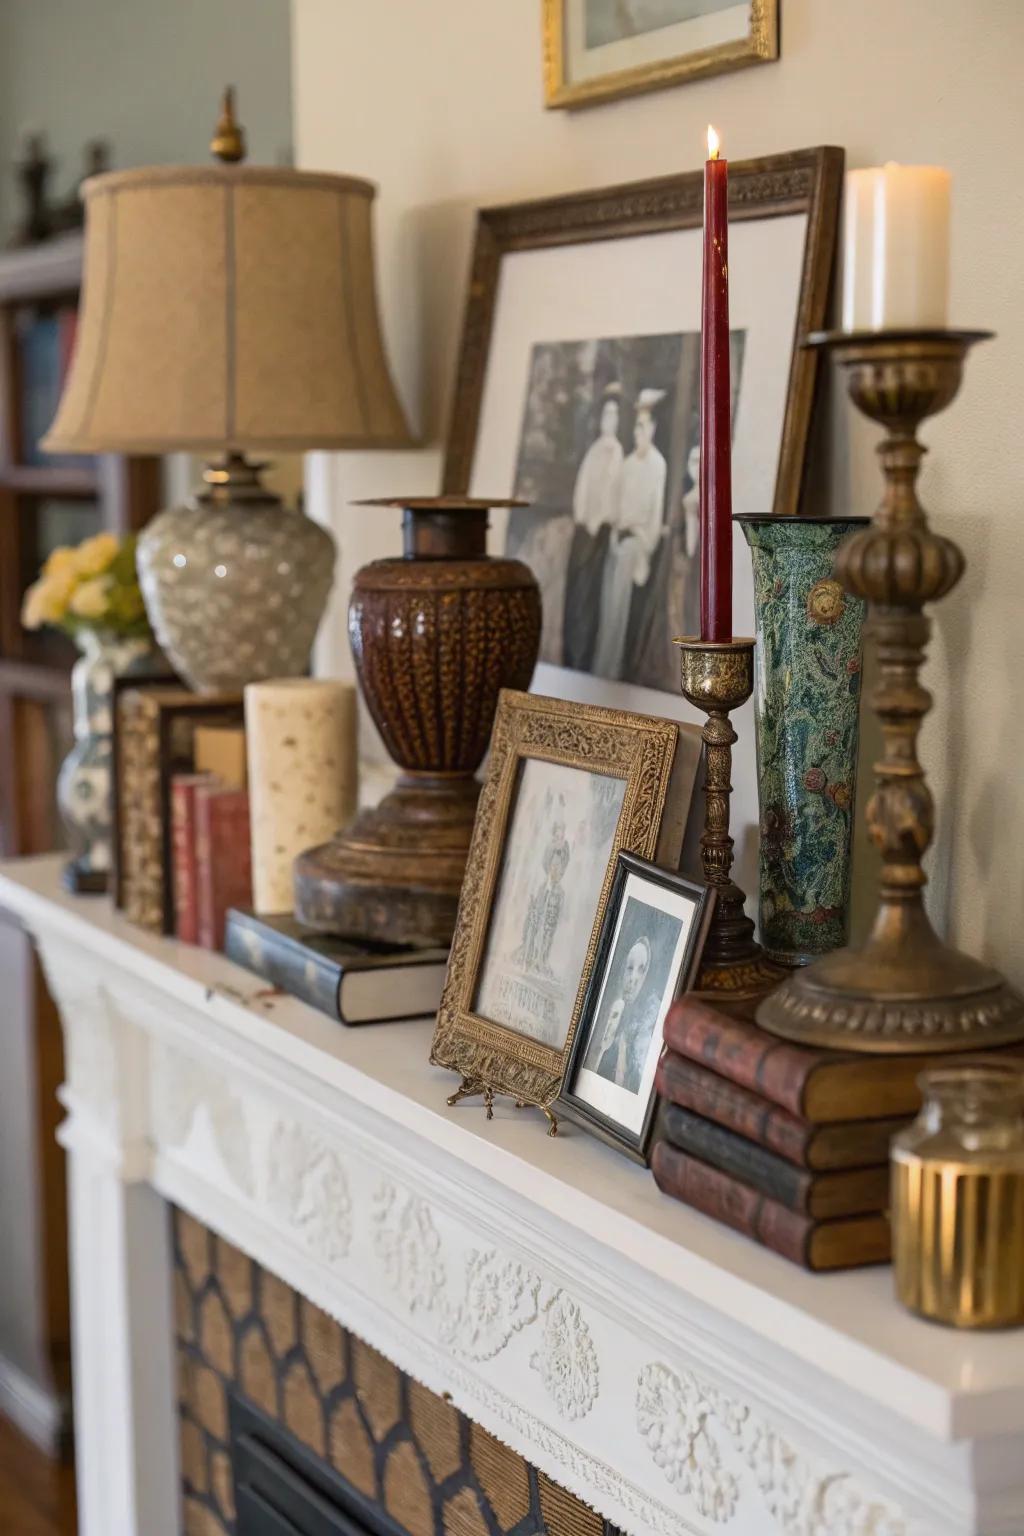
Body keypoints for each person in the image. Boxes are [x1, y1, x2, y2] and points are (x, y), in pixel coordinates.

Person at [592, 389, 667, 681]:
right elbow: (615, 501)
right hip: (618, 538)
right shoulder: (627, 463)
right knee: (607, 607)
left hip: (636, 542)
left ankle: (613, 671)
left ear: (654, 429)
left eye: (645, 427)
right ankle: (600, 668)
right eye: (637, 427)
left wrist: (642, 541)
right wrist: (615, 531)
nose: (639, 433)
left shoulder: (657, 465)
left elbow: (655, 511)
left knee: (620, 610)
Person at [563, 388, 623, 671]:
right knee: (575, 591)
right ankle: (569, 654)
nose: (608, 420)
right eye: (606, 414)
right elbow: (582, 488)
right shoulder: (595, 449)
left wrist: (598, 521)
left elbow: (612, 494)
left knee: (589, 595)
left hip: (599, 533)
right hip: (583, 531)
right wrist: (582, 519)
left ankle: (583, 655)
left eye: (614, 415)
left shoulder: (615, 452)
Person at [585, 934, 660, 1094]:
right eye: (630, 968)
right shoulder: (607, 1010)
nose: (633, 978)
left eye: (641, 970)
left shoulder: (643, 1029)